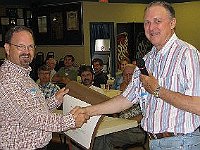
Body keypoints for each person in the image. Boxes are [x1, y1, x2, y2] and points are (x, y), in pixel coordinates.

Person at [71, 1, 200, 150]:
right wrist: (88, 110)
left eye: (157, 21)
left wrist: (158, 90)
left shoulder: (187, 54)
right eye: (147, 22)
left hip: (182, 143)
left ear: (172, 23)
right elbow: (125, 99)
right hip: (154, 142)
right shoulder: (146, 60)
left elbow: (197, 105)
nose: (151, 28)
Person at [0, 26, 88, 149]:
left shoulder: (23, 75)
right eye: (21, 46)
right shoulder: (6, 80)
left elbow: (32, 109)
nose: (27, 51)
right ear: (7, 48)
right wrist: (70, 121)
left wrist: (55, 100)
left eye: (31, 46)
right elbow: (30, 117)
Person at [93, 64, 146, 150]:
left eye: (131, 74)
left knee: (105, 137)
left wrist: (124, 123)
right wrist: (116, 120)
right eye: (125, 75)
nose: (128, 77)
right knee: (98, 134)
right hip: (120, 126)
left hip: (136, 130)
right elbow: (116, 110)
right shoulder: (121, 91)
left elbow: (145, 114)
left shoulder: (143, 90)